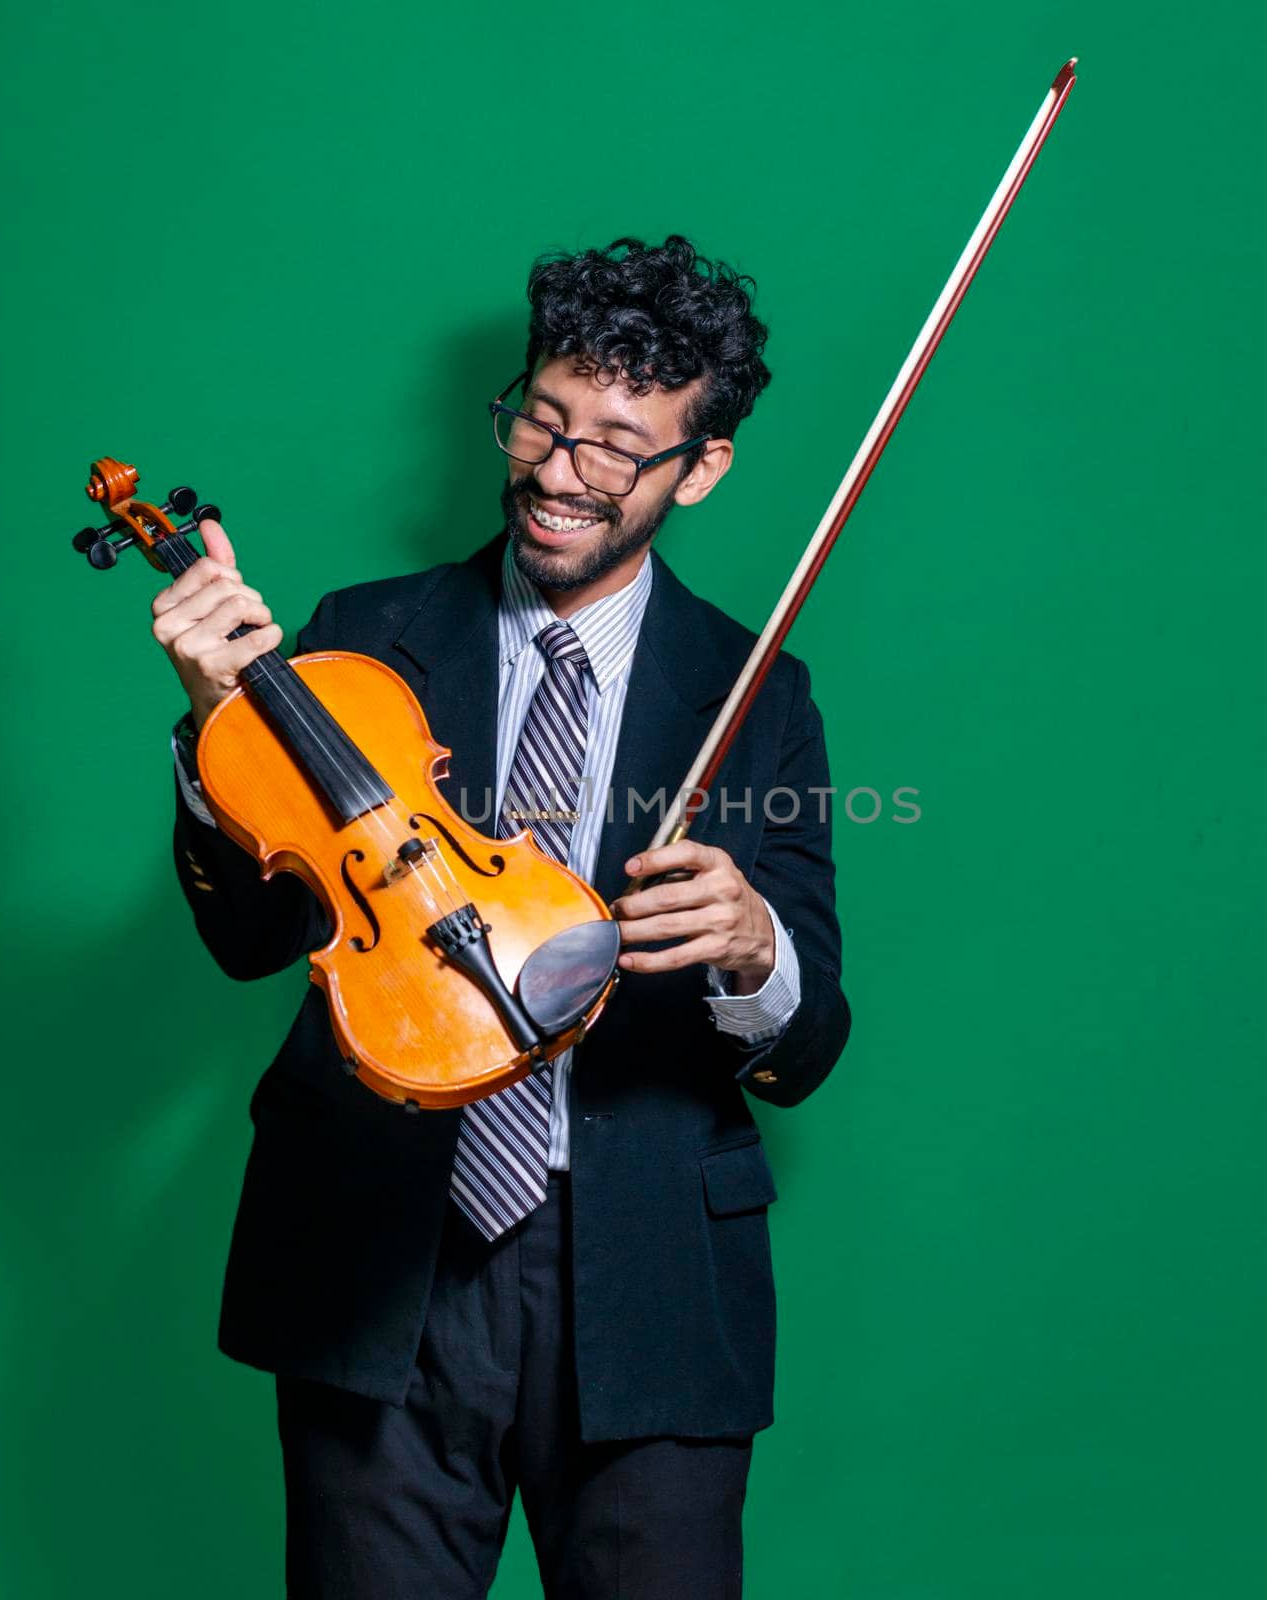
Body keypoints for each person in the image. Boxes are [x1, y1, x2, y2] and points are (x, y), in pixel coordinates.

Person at [154, 235, 851, 1598]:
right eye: (541, 417)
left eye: (616, 445)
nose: (554, 471)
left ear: (698, 468)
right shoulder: (357, 643)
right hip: (383, 1266)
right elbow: (251, 943)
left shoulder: (755, 690)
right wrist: (214, 733)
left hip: (648, 1272)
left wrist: (755, 948)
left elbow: (807, 1039)